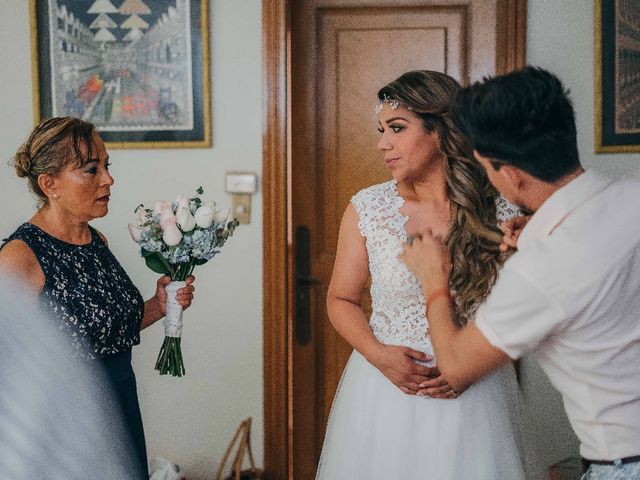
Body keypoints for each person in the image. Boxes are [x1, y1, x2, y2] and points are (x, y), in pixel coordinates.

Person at [400, 66, 640, 480]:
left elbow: (456, 366)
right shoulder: (631, 195)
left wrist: (434, 279)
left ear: (509, 174)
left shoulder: (540, 268)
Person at [316, 71, 538, 479]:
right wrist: (379, 356)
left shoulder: (502, 210)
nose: (383, 143)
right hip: (388, 392)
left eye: (397, 129)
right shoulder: (368, 208)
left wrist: (471, 368)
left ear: (441, 130)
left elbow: (523, 310)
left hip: (477, 393)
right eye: (381, 130)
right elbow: (340, 299)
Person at [0, 117, 196, 478]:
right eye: (91, 169)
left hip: (120, 403)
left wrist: (158, 304)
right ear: (50, 184)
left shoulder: (96, 242)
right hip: (64, 420)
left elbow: (109, 328)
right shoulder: (20, 257)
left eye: (106, 166)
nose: (108, 179)